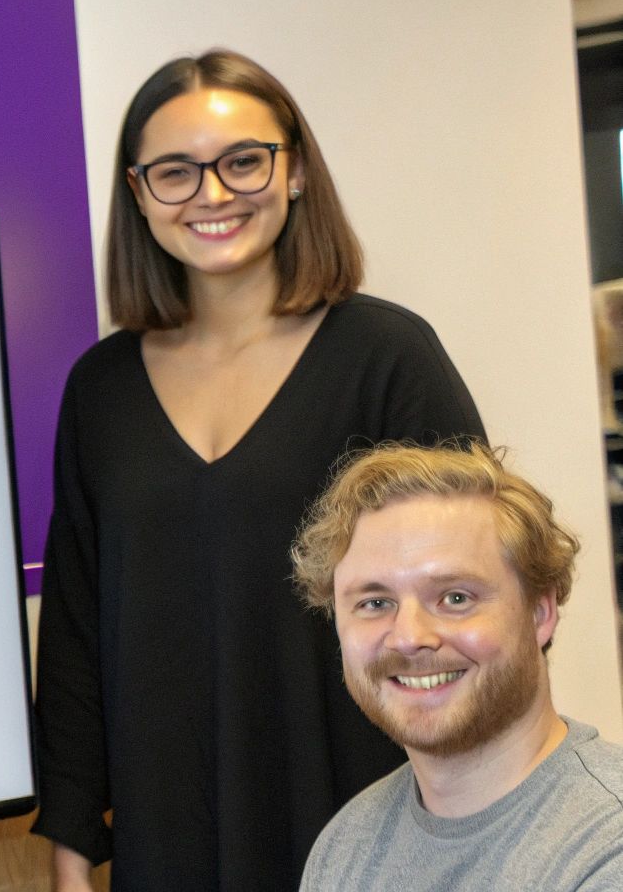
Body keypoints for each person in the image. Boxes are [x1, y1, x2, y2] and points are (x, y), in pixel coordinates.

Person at [30, 49, 485, 892]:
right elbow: (75, 641)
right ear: (138, 193)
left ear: (297, 170)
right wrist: (70, 851)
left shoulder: (387, 359)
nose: (212, 194)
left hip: (370, 826)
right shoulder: (99, 390)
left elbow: (476, 605)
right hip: (168, 833)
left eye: (244, 161)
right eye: (175, 171)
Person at [291, 442, 623, 890]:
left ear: (540, 613)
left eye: (455, 598)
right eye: (375, 602)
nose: (409, 636)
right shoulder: (345, 848)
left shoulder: (607, 844)